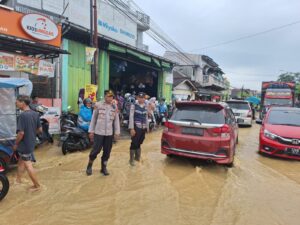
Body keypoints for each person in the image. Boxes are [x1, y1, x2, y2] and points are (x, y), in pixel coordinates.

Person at [86, 90, 120, 176]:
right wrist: (91, 131)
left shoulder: (114, 107)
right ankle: (89, 166)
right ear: (105, 96)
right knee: (95, 150)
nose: (110, 98)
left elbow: (116, 121)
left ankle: (103, 168)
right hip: (98, 132)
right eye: (108, 96)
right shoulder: (98, 105)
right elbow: (93, 119)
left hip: (109, 134)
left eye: (111, 96)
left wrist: (117, 132)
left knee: (107, 152)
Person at [13, 95, 42, 191]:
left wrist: (16, 144)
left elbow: (21, 133)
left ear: (23, 103)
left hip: (24, 144)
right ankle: (18, 180)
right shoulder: (35, 114)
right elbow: (40, 130)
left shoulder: (22, 115)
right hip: (31, 143)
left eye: (17, 101)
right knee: (21, 162)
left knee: (28, 165)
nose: (16, 103)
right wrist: (31, 134)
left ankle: (37, 186)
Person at [128, 92, 149, 166]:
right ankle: (131, 160)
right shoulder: (134, 106)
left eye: (143, 98)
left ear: (144, 98)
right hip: (136, 126)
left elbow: (146, 117)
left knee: (140, 142)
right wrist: (131, 128)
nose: (142, 99)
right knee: (134, 143)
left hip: (143, 127)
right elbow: (131, 117)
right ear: (137, 98)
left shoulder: (146, 106)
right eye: (140, 97)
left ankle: (137, 157)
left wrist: (147, 127)